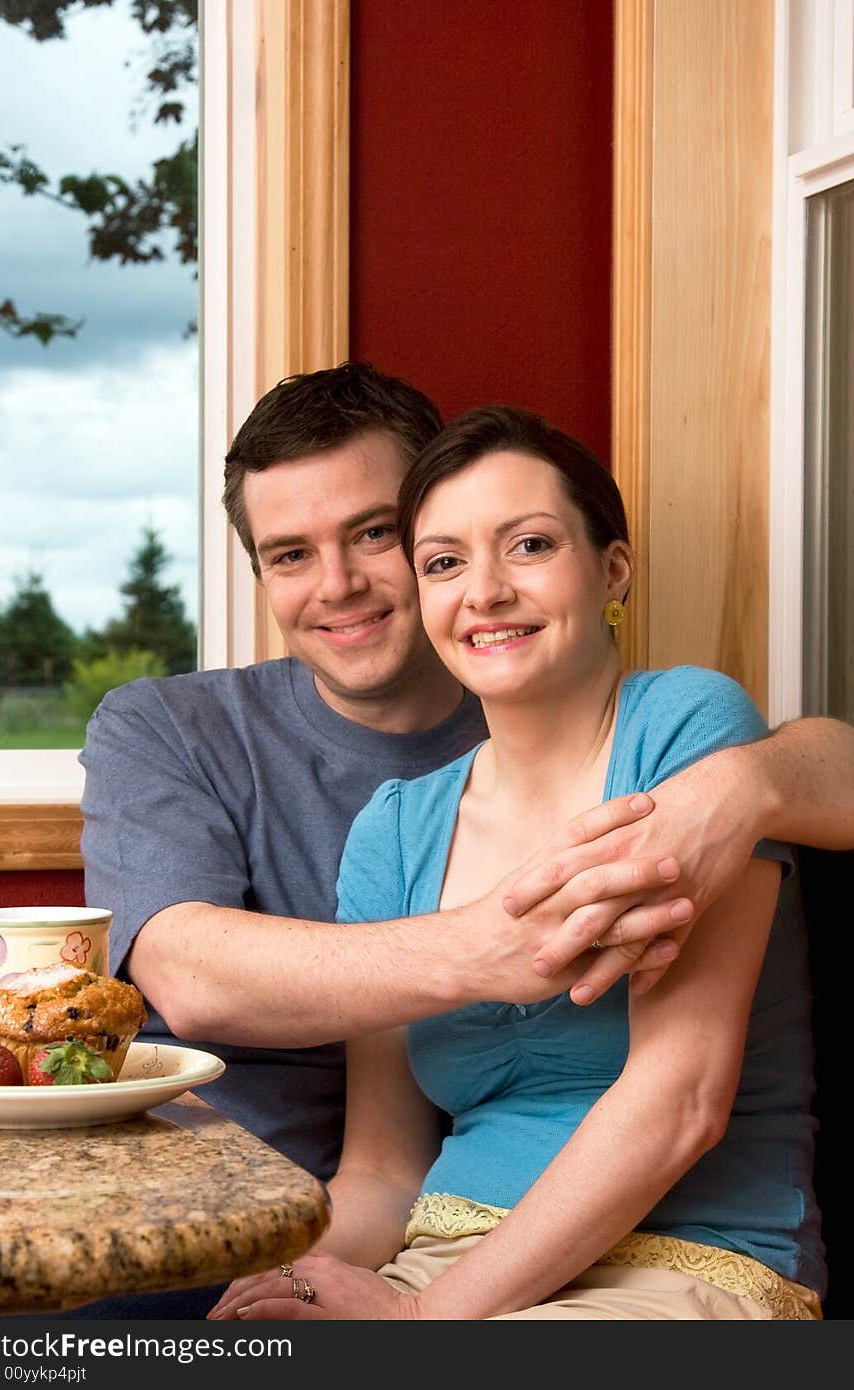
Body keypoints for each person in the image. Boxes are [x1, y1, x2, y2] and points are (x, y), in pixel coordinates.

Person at [76, 363, 852, 1320]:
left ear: (612, 567)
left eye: (526, 545)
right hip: (434, 1254)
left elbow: (679, 1107)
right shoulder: (396, 827)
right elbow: (385, 1163)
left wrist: (418, 1325)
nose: (483, 590)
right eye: (447, 560)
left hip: (679, 1263)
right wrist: (291, 1285)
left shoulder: (683, 739)